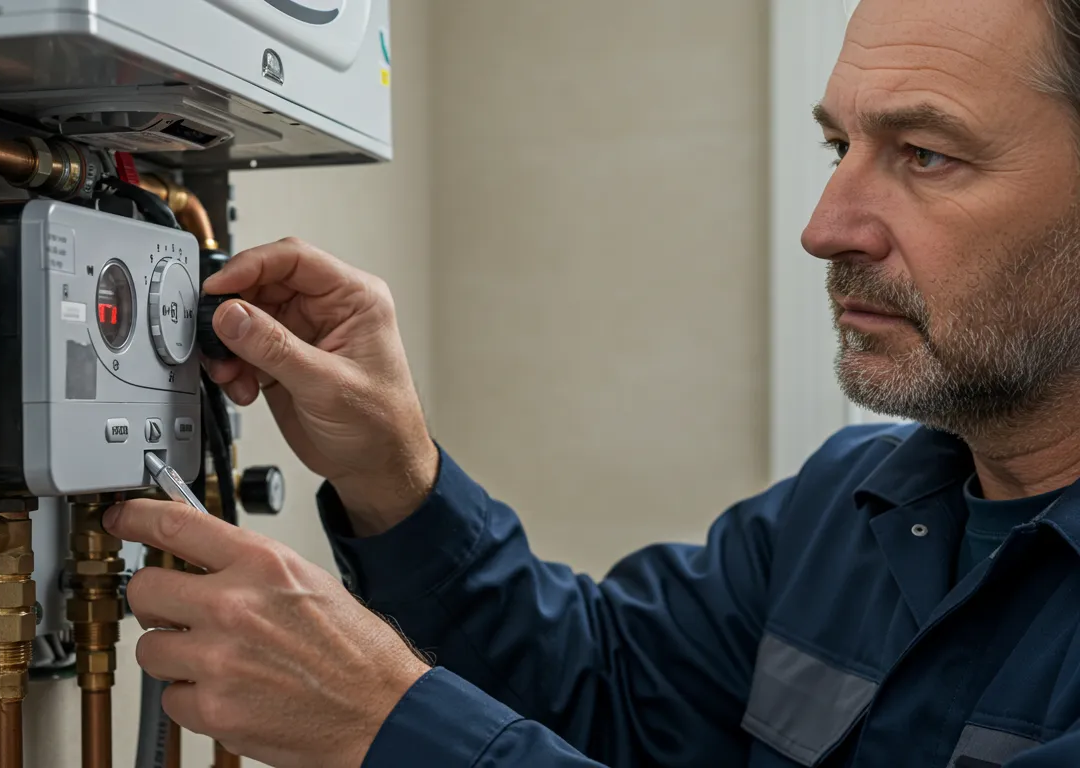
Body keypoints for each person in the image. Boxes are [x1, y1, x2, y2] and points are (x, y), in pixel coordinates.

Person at [101, 1, 1080, 765]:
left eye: (925, 155)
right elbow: (605, 693)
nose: (825, 227)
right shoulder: (857, 504)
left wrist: (387, 724)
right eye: (839, 146)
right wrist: (394, 473)